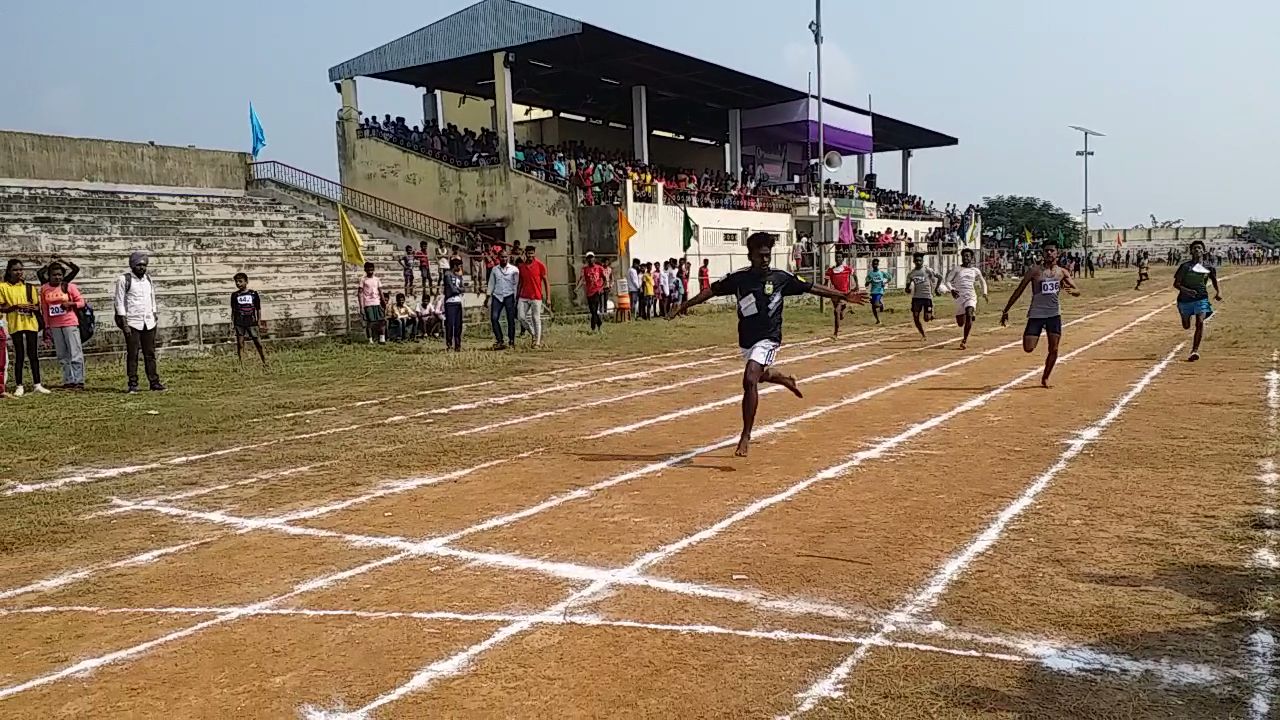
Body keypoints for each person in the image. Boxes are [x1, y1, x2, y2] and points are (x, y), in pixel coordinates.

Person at [669, 232, 867, 457]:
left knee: (750, 378)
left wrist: (843, 295)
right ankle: (782, 378)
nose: (765, 260)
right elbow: (710, 291)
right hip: (747, 339)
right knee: (758, 375)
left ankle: (745, 436)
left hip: (770, 337)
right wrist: (684, 305)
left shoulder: (780, 278)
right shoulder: (739, 278)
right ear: (750, 255)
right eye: (760, 255)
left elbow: (812, 287)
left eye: (768, 255)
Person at [1001, 240, 1080, 388]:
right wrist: (1006, 309)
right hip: (1036, 314)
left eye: (1052, 250)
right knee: (1028, 347)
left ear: (1057, 253)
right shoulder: (1035, 271)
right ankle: (1034, 335)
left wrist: (1072, 291)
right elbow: (1019, 290)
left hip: (1053, 314)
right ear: (1043, 253)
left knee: (1054, 348)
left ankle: (1045, 378)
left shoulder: (1062, 272)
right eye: (1046, 251)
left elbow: (1077, 290)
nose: (1049, 253)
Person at [113, 251, 165, 393]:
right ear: (132, 265)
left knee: (150, 353)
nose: (141, 268)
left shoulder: (148, 279)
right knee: (133, 354)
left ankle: (154, 381)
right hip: (132, 322)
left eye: (144, 265)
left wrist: (154, 314)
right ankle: (133, 383)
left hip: (148, 321)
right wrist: (124, 323)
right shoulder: (124, 279)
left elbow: (152, 297)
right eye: (138, 265)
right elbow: (119, 302)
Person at [0, 259, 49, 397]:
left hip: (30, 322)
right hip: (15, 323)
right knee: (19, 355)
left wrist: (32, 308)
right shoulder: (3, 287)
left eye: (21, 269)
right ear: (9, 271)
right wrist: (15, 307)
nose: (19, 272)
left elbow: (36, 306)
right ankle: (19, 385)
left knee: (33, 354)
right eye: (15, 270)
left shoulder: (29, 287)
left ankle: (37, 383)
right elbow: (2, 307)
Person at [1173, 240, 1222, 362]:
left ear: (1203, 251)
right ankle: (1185, 317)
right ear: (1191, 251)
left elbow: (1215, 280)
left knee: (1200, 322)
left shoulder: (1208, 267)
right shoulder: (1185, 267)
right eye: (1194, 248)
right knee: (1186, 325)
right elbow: (1176, 284)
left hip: (1201, 298)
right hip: (1185, 300)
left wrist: (1218, 292)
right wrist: (1187, 291)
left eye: (1199, 248)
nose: (1197, 250)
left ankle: (1194, 350)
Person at [944, 248, 989, 350]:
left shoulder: (975, 270)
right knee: (960, 323)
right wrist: (951, 289)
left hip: (971, 296)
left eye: (968, 256)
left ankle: (964, 340)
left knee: (969, 313)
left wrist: (985, 293)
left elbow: (982, 282)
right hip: (959, 297)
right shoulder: (957, 269)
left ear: (972, 258)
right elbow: (947, 281)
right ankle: (966, 314)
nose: (966, 258)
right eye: (964, 256)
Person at [230, 272, 267, 366]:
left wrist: (259, 321)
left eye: (240, 281)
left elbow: (258, 308)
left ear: (246, 282)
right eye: (236, 282)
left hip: (251, 321)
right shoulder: (234, 295)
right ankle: (242, 364)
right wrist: (232, 323)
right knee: (240, 344)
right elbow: (233, 310)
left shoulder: (253, 294)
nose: (238, 283)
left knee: (258, 343)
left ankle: (265, 362)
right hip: (239, 321)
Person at [517, 245, 551, 347]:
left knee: (536, 318)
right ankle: (534, 334)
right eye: (528, 253)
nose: (530, 255)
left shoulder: (540, 265)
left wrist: (548, 298)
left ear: (534, 253)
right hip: (524, 296)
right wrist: (517, 295)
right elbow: (520, 283)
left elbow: (546, 281)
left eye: (532, 253)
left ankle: (537, 342)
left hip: (536, 296)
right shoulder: (521, 267)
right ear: (525, 254)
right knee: (521, 317)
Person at [487, 249, 519, 349]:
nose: (504, 259)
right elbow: (491, 283)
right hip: (497, 296)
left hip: (509, 296)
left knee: (510, 319)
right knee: (494, 318)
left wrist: (516, 297)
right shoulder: (495, 269)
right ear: (498, 258)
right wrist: (488, 296)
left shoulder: (514, 269)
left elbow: (516, 284)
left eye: (505, 257)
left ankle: (511, 341)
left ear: (508, 257)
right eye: (502, 257)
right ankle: (499, 340)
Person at [904, 253, 942, 340]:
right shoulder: (911, 274)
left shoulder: (927, 270)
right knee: (915, 317)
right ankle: (923, 334)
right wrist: (908, 289)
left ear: (922, 261)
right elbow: (907, 287)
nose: (918, 262)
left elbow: (939, 277)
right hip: (916, 298)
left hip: (927, 297)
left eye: (920, 260)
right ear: (913, 261)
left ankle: (931, 312)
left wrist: (936, 289)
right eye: (916, 260)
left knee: (926, 319)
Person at [824, 253, 857, 338]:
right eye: (837, 257)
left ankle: (835, 333)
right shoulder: (831, 271)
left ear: (842, 259)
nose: (838, 259)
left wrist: (856, 286)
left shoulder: (847, 269)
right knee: (840, 315)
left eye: (840, 257)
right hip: (834, 294)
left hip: (844, 294)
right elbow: (826, 283)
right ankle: (846, 309)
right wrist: (823, 291)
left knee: (836, 311)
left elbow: (854, 275)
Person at [577, 252, 608, 332]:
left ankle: (593, 327)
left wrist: (601, 288)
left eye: (592, 257)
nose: (590, 259)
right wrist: (577, 287)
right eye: (589, 258)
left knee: (594, 309)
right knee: (592, 310)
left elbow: (605, 279)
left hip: (597, 291)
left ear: (594, 258)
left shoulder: (599, 268)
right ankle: (599, 323)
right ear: (587, 259)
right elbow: (582, 280)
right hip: (589, 292)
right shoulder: (585, 269)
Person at [358, 261, 386, 345]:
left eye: (371, 269)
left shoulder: (377, 279)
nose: (370, 271)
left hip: (377, 302)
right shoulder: (363, 280)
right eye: (368, 270)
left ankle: (382, 339)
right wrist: (361, 307)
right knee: (370, 322)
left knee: (381, 321)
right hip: (368, 303)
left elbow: (380, 291)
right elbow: (359, 293)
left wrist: (383, 301)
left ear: (373, 270)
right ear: (365, 270)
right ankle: (370, 340)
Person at [443, 257, 465, 351]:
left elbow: (463, 288)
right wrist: (458, 290)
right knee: (450, 324)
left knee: (458, 324)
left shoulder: (459, 276)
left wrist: (458, 290)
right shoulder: (447, 274)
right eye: (459, 265)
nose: (460, 267)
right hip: (450, 302)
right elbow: (451, 289)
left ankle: (457, 344)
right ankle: (449, 344)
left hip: (458, 302)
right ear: (455, 265)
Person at [864, 258, 891, 326]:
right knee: (873, 307)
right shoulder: (870, 274)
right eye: (874, 264)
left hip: (879, 291)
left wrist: (885, 283)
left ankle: (881, 305)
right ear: (872, 265)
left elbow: (890, 277)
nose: (875, 265)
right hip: (873, 292)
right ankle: (878, 320)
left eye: (876, 264)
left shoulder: (881, 273)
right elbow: (866, 284)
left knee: (876, 304)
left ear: (878, 264)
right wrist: (868, 282)